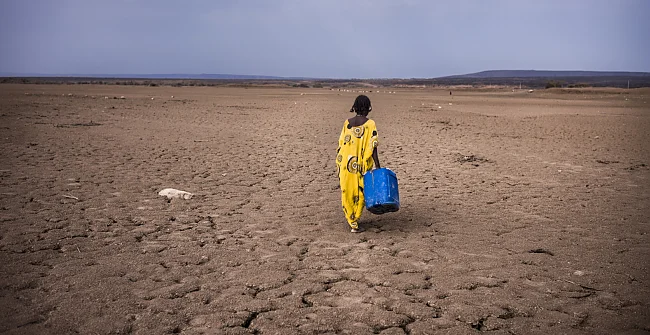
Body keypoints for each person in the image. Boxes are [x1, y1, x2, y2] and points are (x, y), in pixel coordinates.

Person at [336, 95, 380, 233]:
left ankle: (351, 220)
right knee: (361, 191)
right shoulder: (370, 124)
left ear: (355, 107)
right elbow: (373, 146)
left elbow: (341, 144)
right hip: (360, 165)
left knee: (347, 191)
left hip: (345, 164)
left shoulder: (347, 123)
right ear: (368, 108)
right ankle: (354, 221)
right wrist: (378, 166)